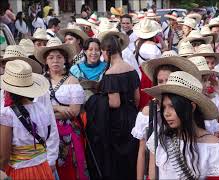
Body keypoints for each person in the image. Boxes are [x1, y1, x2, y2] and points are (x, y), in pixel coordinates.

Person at [144, 71, 219, 179]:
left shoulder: (214, 146)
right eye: (164, 107)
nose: (166, 113)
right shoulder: (159, 138)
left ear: (192, 108)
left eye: (172, 106)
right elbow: (152, 177)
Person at [131, 50, 201, 179]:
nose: (163, 85)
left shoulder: (187, 109)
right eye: (160, 81)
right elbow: (141, 152)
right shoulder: (147, 113)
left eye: (168, 80)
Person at [85, 35, 140, 179]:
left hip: (117, 121)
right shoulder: (132, 70)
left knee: (117, 160)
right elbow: (137, 98)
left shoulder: (110, 74)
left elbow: (115, 103)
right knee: (131, 157)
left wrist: (95, 100)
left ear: (106, 51)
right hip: (132, 116)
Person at [34, 37, 88, 180]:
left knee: (69, 168)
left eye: (59, 57)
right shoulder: (39, 82)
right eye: (51, 57)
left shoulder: (72, 81)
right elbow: (35, 109)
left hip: (68, 133)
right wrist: (58, 108)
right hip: (43, 132)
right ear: (46, 61)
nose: (55, 60)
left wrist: (47, 112)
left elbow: (74, 111)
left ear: (65, 60)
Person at [0, 60, 59, 180]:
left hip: (20, 172)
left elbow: (4, 157)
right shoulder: (42, 109)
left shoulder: (7, 114)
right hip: (43, 169)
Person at [133, 18, 162, 109]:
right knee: (151, 104)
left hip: (140, 76)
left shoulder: (137, 43)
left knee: (143, 103)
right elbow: (157, 63)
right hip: (151, 76)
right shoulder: (153, 48)